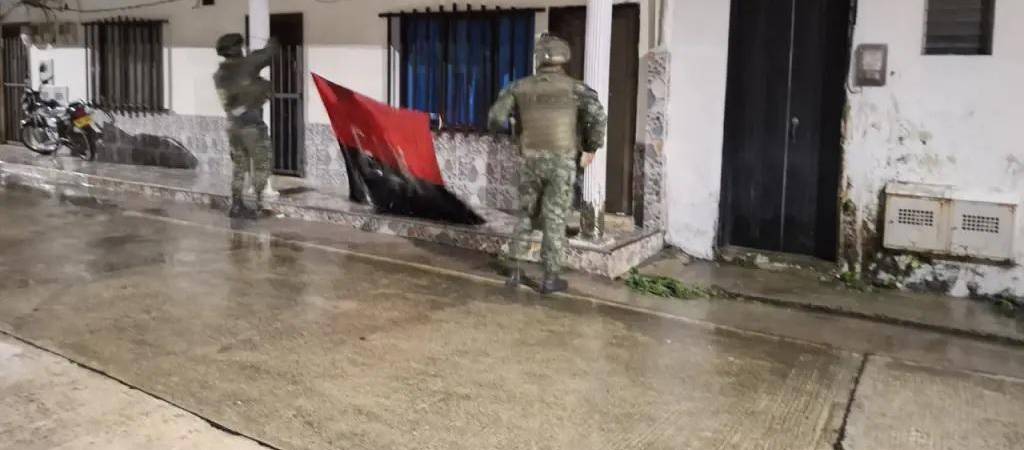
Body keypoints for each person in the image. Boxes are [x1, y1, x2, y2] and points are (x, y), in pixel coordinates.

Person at [487, 34, 607, 294]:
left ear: (539, 59)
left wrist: (513, 131)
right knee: (554, 218)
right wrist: (590, 147)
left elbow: (495, 118)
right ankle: (550, 277)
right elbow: (597, 118)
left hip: (530, 160)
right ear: (564, 59)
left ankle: (516, 271)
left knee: (527, 214)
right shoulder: (576, 89)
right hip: (562, 162)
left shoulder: (518, 87)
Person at [213, 33, 278, 219]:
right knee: (261, 164)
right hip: (251, 125)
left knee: (239, 167)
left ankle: (236, 204)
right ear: (237, 48)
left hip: (233, 124)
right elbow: (270, 52)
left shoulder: (220, 75)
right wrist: (273, 39)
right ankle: (259, 205)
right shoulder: (246, 65)